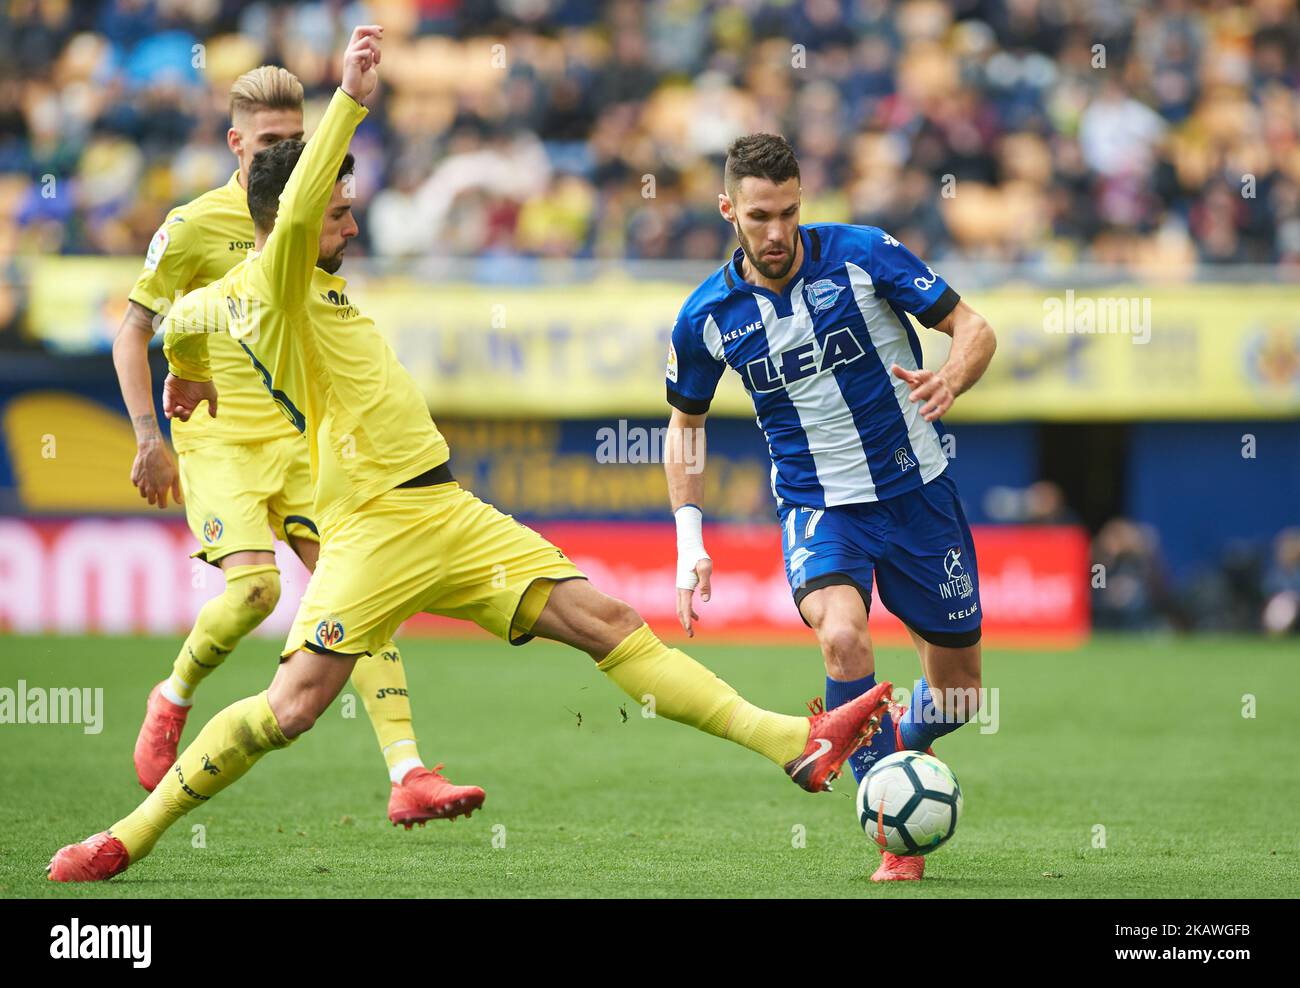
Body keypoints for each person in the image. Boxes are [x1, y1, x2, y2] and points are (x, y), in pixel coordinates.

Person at [48, 26, 892, 883]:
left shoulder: (248, 290)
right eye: (340, 209)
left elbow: (181, 325)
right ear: (294, 221)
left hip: (446, 511)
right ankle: (128, 836)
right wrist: (351, 100)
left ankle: (793, 742)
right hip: (375, 526)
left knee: (606, 624)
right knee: (292, 706)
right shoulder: (276, 275)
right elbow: (281, 224)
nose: (350, 218)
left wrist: (184, 378)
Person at [109, 61, 477, 828]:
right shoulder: (191, 226)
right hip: (218, 442)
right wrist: (150, 435)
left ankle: (407, 772)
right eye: (270, 140)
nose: (288, 153)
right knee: (256, 593)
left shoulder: (309, 220)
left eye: (297, 140)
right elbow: (135, 328)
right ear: (235, 143)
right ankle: (173, 693)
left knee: (356, 597)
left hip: (301, 442)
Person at [664, 134, 997, 881]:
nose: (775, 232)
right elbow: (685, 427)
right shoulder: (707, 316)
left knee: (964, 693)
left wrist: (953, 378)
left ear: (801, 202)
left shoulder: (864, 253)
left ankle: (899, 743)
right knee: (843, 638)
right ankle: (891, 832)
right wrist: (691, 543)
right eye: (758, 217)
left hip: (919, 496)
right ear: (728, 211)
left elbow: (974, 327)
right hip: (821, 509)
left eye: (786, 212)